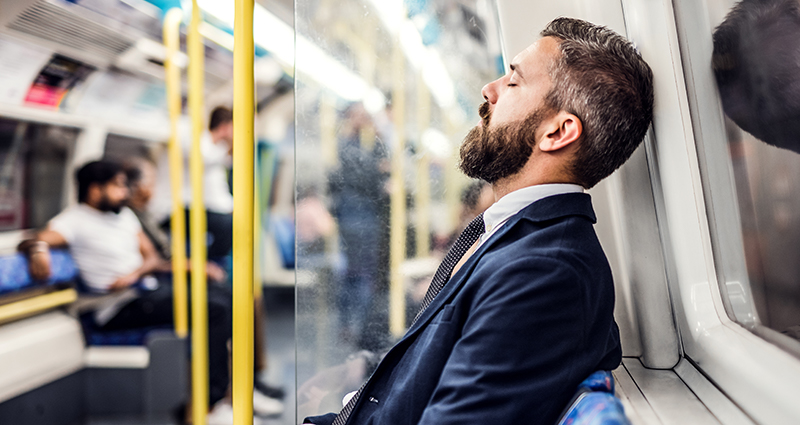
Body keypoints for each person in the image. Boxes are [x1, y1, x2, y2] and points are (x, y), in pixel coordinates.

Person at [303, 17, 653, 425]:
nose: (489, 90)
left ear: (557, 132)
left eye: (514, 81)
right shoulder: (515, 235)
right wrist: (366, 368)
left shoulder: (546, 274)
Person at [19, 160, 280, 424]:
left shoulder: (123, 216)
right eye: (118, 186)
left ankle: (235, 393)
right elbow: (35, 239)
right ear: (95, 190)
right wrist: (38, 251)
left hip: (141, 290)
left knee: (228, 297)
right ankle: (209, 407)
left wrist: (134, 274)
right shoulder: (73, 220)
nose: (125, 193)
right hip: (115, 307)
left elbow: (152, 257)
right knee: (217, 310)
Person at [151, 106, 235, 259]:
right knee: (228, 225)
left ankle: (210, 266)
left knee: (234, 223)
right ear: (224, 126)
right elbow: (203, 158)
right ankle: (207, 265)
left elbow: (216, 191)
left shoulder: (217, 154)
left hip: (191, 207)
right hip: (170, 208)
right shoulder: (195, 141)